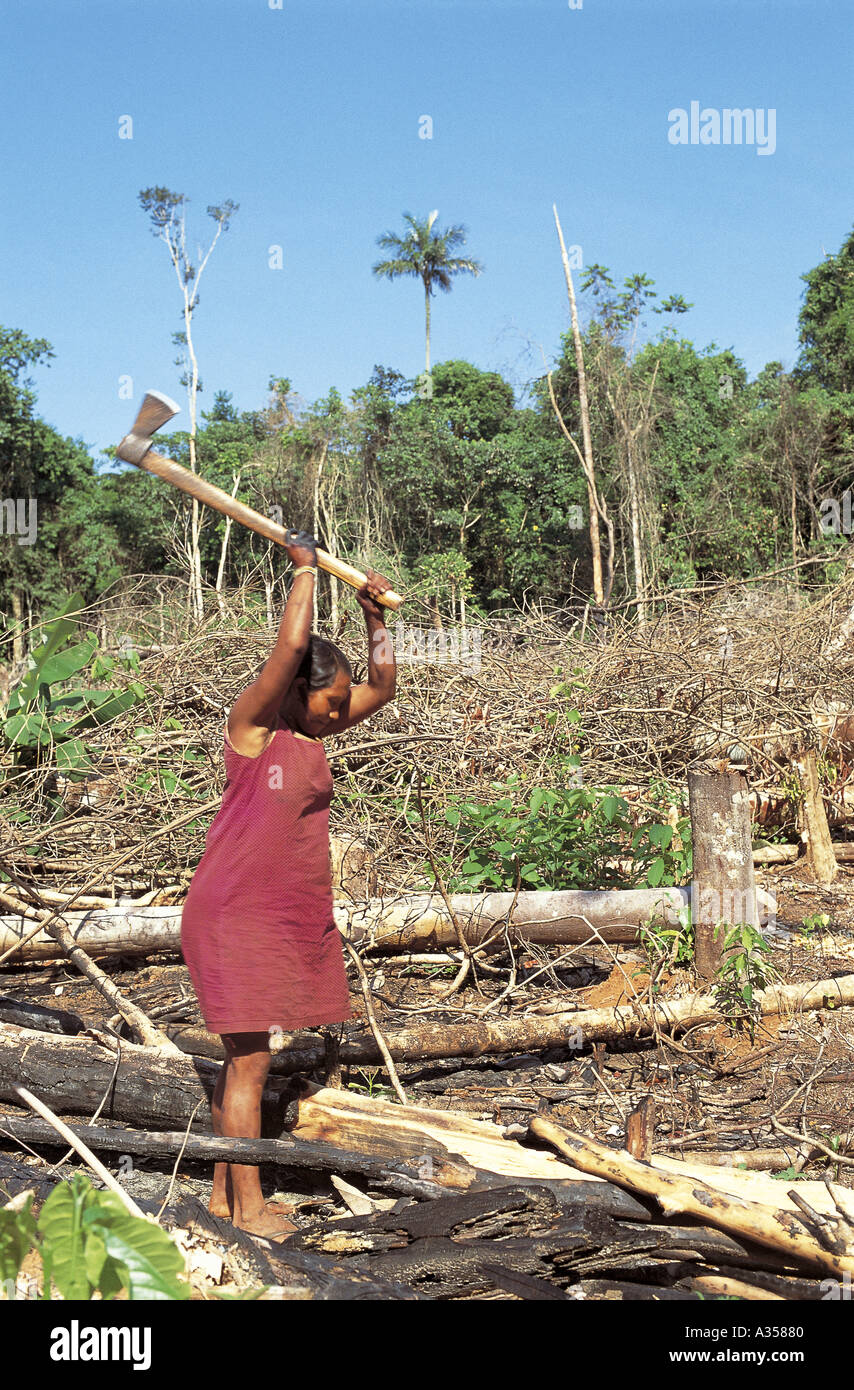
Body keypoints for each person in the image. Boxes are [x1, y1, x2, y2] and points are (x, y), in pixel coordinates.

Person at [180, 528, 396, 1237]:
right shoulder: (251, 730)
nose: (340, 713)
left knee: (243, 1062)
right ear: (296, 691)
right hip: (231, 912)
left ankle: (222, 1196)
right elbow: (286, 651)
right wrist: (305, 572)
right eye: (329, 702)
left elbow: (384, 685)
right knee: (250, 1063)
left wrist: (374, 621)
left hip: (270, 914)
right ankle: (249, 1209)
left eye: (340, 704)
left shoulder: (310, 736)